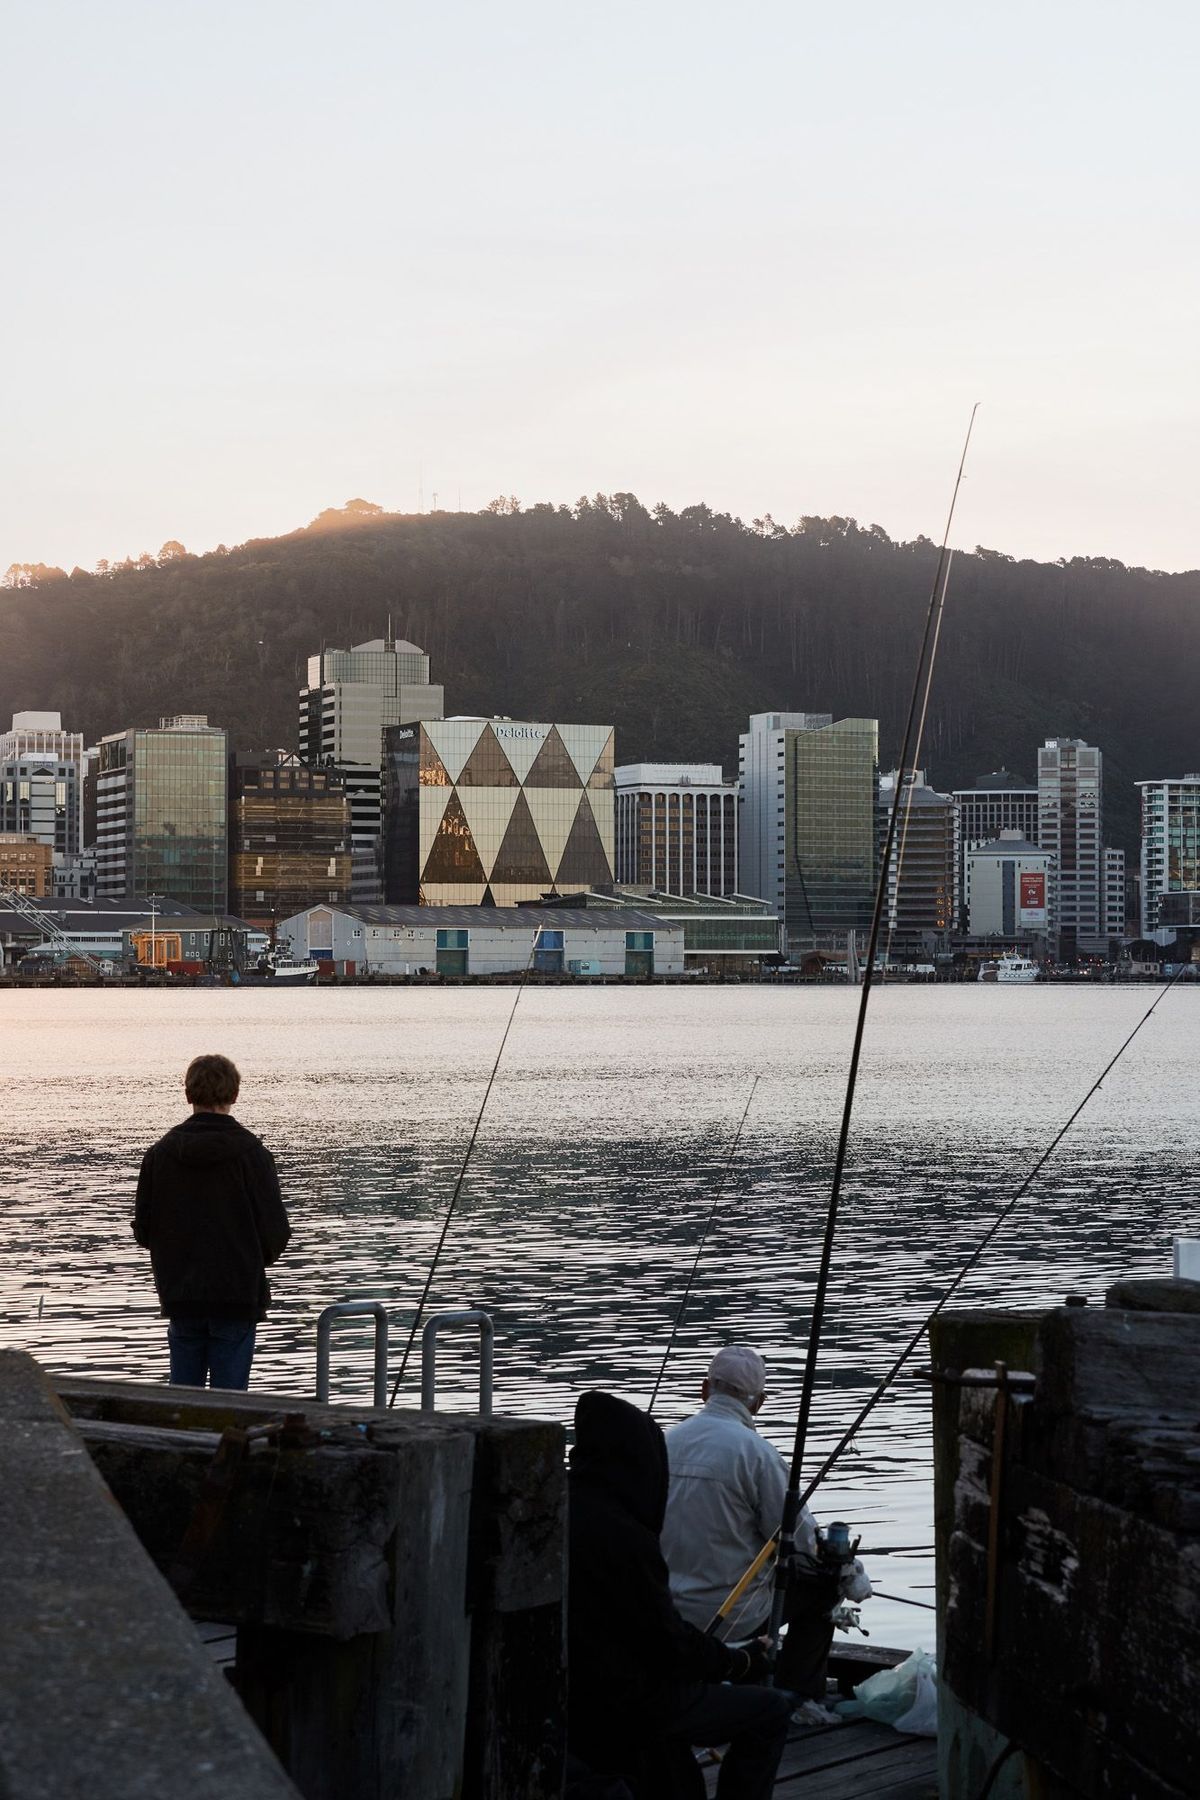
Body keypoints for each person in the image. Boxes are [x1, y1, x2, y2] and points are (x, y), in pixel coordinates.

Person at [567, 1388, 790, 1800]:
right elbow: (665, 1644)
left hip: (576, 1695)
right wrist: (738, 1662)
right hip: (628, 1701)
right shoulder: (625, 1539)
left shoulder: (562, 1509)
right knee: (770, 1711)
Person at [661, 1344, 850, 1724]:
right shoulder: (758, 1455)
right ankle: (797, 1697)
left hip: (666, 1612)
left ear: (704, 1389)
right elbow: (802, 1542)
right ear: (759, 1403)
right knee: (826, 1581)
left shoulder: (664, 1442)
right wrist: (847, 1567)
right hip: (732, 1616)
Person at [133, 1053, 290, 1390]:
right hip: (237, 1295)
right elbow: (276, 1232)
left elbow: (144, 1229)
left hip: (180, 1294)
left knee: (184, 1398)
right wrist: (247, 1258)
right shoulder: (253, 1155)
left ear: (188, 1094)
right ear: (234, 1095)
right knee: (230, 1402)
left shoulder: (160, 1155)